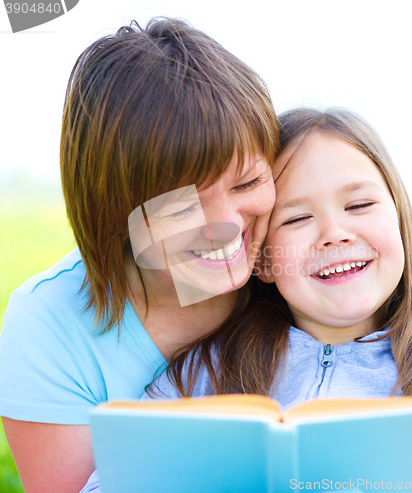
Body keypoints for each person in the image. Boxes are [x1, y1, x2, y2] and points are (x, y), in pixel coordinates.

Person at [84, 107, 412, 492]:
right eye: (298, 218)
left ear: (401, 221)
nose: (335, 232)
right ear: (261, 258)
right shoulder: (206, 372)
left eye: (359, 204)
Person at [0, 17, 279, 493]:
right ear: (114, 211)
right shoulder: (49, 326)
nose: (228, 224)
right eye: (182, 205)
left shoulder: (298, 270)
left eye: (248, 182)